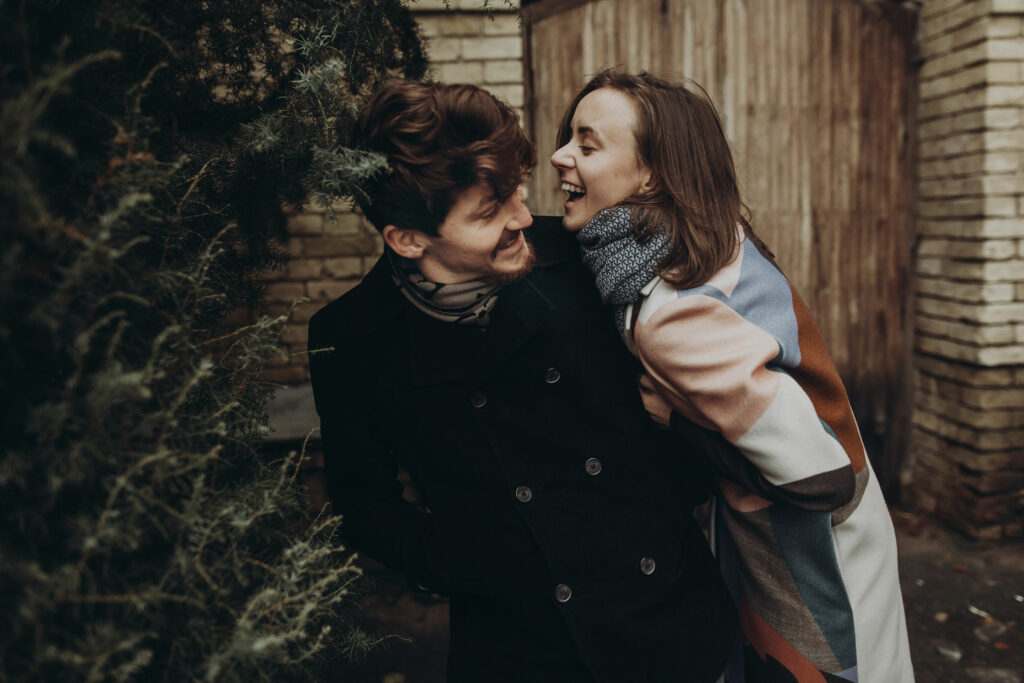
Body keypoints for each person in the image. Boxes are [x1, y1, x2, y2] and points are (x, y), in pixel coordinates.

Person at [307, 78, 737, 683]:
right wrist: (457, 563)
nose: (520, 218)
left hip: (664, 620)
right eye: (490, 211)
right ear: (406, 239)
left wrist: (672, 492)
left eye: (514, 192)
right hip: (514, 647)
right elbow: (362, 502)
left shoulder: (583, 255)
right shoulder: (351, 338)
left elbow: (692, 378)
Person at [551, 69, 915, 683]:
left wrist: (677, 420)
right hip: (846, 530)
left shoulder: (668, 311)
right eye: (570, 138)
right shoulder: (703, 239)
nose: (560, 155)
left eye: (588, 145)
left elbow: (819, 475)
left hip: (811, 560)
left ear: (654, 176)